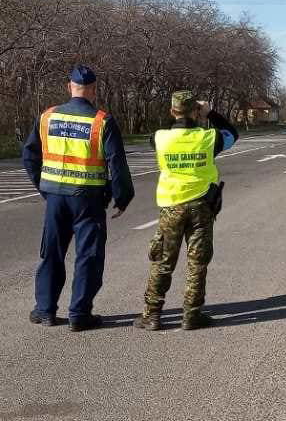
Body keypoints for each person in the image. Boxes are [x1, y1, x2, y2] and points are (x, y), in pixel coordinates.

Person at [22, 65, 134, 331]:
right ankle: (79, 314)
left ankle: (45, 310)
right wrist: (122, 198)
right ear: (94, 90)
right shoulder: (101, 121)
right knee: (89, 256)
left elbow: (29, 156)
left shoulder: (47, 116)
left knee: (52, 253)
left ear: (68, 87)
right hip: (88, 200)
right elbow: (116, 163)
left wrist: (44, 187)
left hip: (55, 199)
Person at [134, 91, 238, 331]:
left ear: (172, 111)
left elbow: (164, 133)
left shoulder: (160, 139)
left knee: (162, 261)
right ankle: (191, 314)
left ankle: (152, 315)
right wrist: (209, 112)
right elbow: (232, 133)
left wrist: (182, 118)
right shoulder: (209, 138)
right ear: (196, 112)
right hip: (201, 206)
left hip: (171, 206)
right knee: (197, 262)